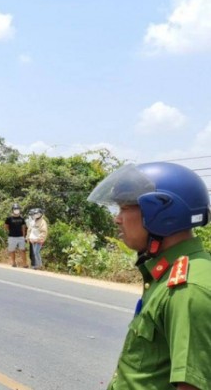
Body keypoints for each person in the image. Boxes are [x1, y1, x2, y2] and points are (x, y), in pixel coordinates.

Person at [88, 162, 211, 390]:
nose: (117, 218)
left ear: (163, 214)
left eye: (125, 208)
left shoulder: (187, 289)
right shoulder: (170, 273)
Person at [4, 204, 27, 268]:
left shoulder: (22, 218)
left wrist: (24, 236)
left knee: (23, 250)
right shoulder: (9, 218)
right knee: (12, 250)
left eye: (18, 209)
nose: (16, 210)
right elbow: (6, 226)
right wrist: (11, 231)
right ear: (13, 210)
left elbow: (23, 227)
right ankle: (13, 262)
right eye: (15, 209)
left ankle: (24, 264)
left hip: (20, 237)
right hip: (12, 237)